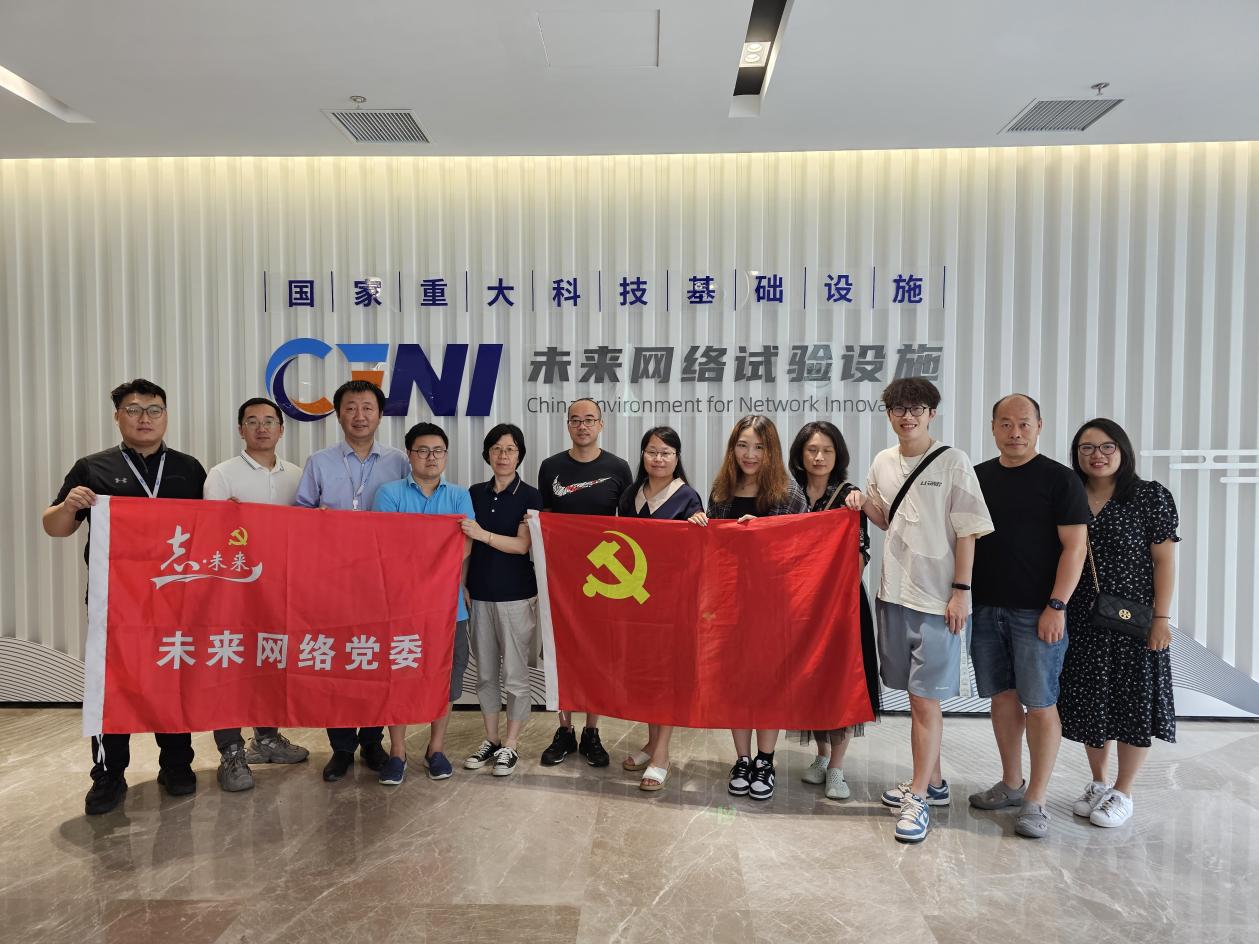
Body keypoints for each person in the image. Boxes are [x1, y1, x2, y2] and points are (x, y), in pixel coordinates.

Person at [43, 379, 207, 815]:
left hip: (176, 599)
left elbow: (209, 531)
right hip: (114, 600)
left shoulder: (189, 469)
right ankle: (108, 775)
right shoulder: (92, 467)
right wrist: (68, 506)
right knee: (112, 686)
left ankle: (176, 764)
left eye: (154, 410)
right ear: (117, 416)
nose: (144, 419)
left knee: (173, 678)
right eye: (133, 410)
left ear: (166, 416)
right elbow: (54, 527)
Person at [844, 379, 993, 843]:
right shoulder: (883, 462)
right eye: (898, 409)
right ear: (889, 414)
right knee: (914, 697)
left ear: (932, 413)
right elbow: (886, 519)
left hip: (937, 601)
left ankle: (919, 796)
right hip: (893, 594)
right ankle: (935, 781)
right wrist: (861, 502)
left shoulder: (953, 462)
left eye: (917, 408)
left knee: (926, 701)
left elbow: (968, 530)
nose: (907, 416)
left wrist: (961, 591)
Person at [968, 395, 1088, 838]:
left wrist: (1057, 605)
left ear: (1039, 426)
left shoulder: (1060, 480)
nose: (1014, 432)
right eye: (1005, 423)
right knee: (1002, 698)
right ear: (993, 427)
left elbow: (1075, 548)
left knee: (1039, 703)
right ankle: (1011, 783)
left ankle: (1036, 799)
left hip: (1038, 612)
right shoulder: (977, 477)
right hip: (985, 608)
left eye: (1023, 423)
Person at [1058, 418, 1178, 828]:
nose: (1098, 455)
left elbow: (1164, 562)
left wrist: (1161, 618)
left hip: (1134, 621)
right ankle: (1098, 782)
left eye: (1107, 447)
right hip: (1082, 618)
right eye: (1087, 448)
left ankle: (1123, 791)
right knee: (1093, 701)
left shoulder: (1149, 496)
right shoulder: (1070, 494)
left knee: (1133, 703)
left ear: (1122, 450)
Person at [294, 380, 408, 782]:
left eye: (367, 407)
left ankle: (373, 740)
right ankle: (341, 747)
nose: (359, 416)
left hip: (381, 579)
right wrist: (317, 519)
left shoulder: (398, 461)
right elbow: (299, 515)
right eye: (350, 408)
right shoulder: (319, 461)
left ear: (380, 415)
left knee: (374, 659)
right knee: (336, 660)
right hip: (332, 579)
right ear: (339, 414)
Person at [689, 414, 807, 801]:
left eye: (759, 447)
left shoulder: (789, 492)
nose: (750, 454)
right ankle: (742, 759)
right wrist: (700, 522)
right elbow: (714, 549)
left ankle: (765, 760)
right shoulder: (721, 490)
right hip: (729, 602)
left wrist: (763, 532)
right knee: (736, 681)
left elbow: (801, 549)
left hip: (773, 605)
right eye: (742, 445)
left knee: (769, 683)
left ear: (771, 450)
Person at [203, 397, 312, 792]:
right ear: (241, 430)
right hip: (233, 590)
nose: (262, 428)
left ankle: (266, 739)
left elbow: (308, 531)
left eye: (269, 421)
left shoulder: (297, 475)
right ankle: (230, 751)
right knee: (229, 667)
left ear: (281, 429)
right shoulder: (222, 475)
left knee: (271, 660)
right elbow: (209, 535)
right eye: (252, 421)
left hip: (280, 590)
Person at [372, 422, 475, 786]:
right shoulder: (389, 494)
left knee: (446, 678)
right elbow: (388, 547)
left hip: (449, 607)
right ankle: (397, 752)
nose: (431, 457)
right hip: (401, 607)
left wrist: (437, 569)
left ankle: (436, 748)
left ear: (445, 456)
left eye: (438, 451)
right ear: (409, 455)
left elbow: (464, 544)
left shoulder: (459, 496)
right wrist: (430, 560)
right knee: (399, 675)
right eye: (422, 451)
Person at [535, 398, 633, 767]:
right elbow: (544, 522)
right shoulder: (550, 467)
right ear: (568, 425)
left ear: (601, 424)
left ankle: (592, 731)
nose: (582, 426)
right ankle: (564, 730)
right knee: (563, 652)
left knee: (597, 653)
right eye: (575, 420)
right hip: (561, 577)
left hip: (604, 579)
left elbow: (630, 525)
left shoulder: (618, 468)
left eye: (589, 419)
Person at [787, 420, 879, 802]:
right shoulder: (790, 495)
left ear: (837, 455)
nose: (819, 457)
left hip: (842, 607)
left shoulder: (849, 496)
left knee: (842, 683)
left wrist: (837, 596)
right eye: (812, 450)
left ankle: (837, 767)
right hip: (802, 606)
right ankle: (822, 755)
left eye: (827, 450)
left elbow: (860, 552)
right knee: (813, 681)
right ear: (800, 455)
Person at [616, 426, 704, 792]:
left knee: (666, 678)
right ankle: (651, 743)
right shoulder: (630, 494)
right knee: (645, 677)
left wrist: (699, 525)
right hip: (636, 603)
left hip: (671, 604)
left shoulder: (687, 497)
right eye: (652, 451)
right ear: (643, 455)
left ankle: (662, 755)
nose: (658, 458)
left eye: (666, 452)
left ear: (677, 457)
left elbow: (699, 553)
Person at [459, 423, 544, 779]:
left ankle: (511, 743)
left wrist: (483, 534)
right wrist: (462, 583)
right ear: (488, 454)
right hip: (479, 594)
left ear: (519, 455)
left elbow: (522, 545)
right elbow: (464, 543)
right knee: (484, 674)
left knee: (515, 674)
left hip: (516, 596)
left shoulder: (531, 496)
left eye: (510, 449)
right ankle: (491, 739)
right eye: (496, 449)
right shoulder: (474, 493)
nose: (503, 456)